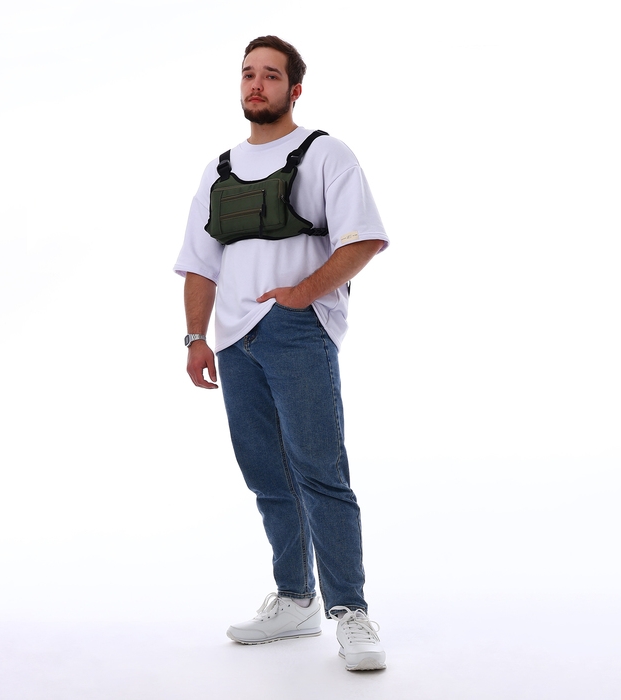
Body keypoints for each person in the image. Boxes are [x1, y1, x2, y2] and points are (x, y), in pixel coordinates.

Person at [174, 35, 389, 671]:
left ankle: (350, 611)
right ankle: (296, 599)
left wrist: (301, 295)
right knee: (267, 473)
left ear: (294, 89)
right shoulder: (220, 169)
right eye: (248, 73)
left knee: (320, 470)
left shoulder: (325, 153)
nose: (256, 84)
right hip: (233, 339)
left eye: (270, 75)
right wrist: (195, 336)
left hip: (296, 329)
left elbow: (364, 238)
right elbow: (199, 263)